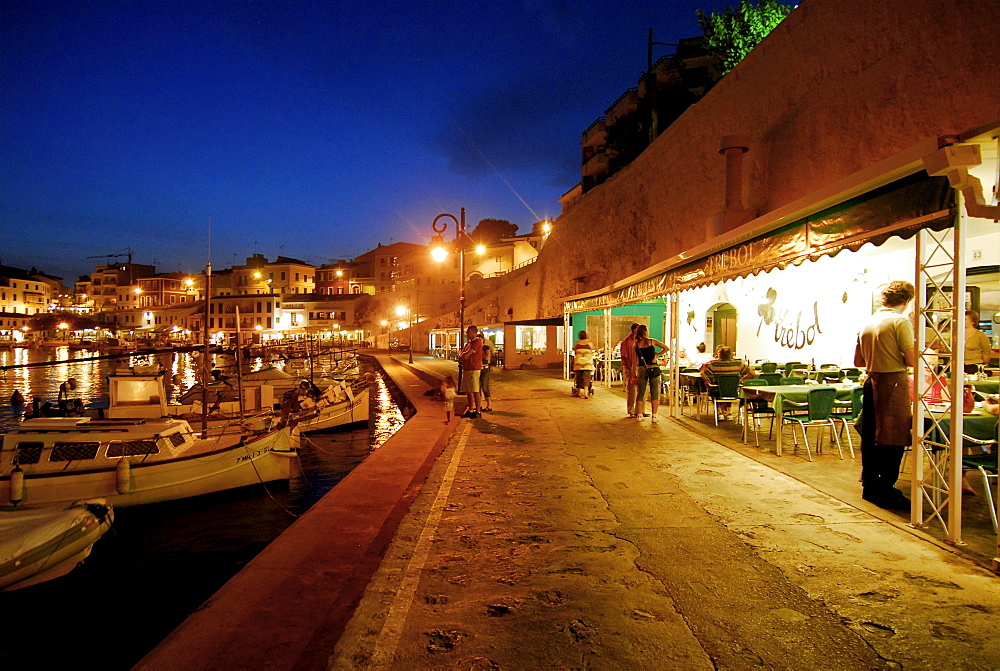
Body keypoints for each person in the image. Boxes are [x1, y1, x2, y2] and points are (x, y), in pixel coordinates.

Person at [854, 280, 916, 512]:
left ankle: (870, 484)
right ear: (907, 300)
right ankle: (886, 488)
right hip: (893, 382)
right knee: (893, 436)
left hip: (871, 381)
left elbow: (858, 361)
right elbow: (911, 360)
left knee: (871, 434)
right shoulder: (900, 321)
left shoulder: (867, 322)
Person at [701, 346, 753, 420]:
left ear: (720, 355)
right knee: (730, 388)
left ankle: (719, 412)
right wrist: (741, 380)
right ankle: (728, 412)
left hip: (718, 390)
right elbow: (752, 373)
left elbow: (703, 373)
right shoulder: (738, 364)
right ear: (731, 354)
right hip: (733, 391)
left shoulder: (714, 365)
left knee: (713, 389)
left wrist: (707, 380)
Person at [634, 324, 668, 422]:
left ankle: (639, 415)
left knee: (640, 393)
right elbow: (666, 348)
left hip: (642, 368)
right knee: (654, 393)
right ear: (645, 332)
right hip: (653, 368)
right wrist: (656, 355)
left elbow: (635, 359)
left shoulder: (636, 344)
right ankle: (654, 416)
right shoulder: (652, 341)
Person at [458, 325, 484, 419]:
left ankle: (478, 410)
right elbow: (461, 355)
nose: (467, 334)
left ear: (474, 333)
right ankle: (470, 409)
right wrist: (462, 355)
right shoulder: (468, 344)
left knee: (475, 390)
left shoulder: (477, 342)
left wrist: (463, 355)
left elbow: (465, 356)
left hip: (474, 368)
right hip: (467, 369)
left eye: (468, 332)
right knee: (468, 390)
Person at [619, 323, 640, 417]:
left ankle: (640, 410)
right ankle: (631, 410)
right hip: (631, 367)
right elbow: (624, 356)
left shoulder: (640, 340)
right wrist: (629, 368)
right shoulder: (626, 341)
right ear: (634, 330)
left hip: (639, 367)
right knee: (631, 390)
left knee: (642, 389)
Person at [964, 310, 993, 375]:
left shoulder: (980, 335)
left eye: (965, 319)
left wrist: (982, 365)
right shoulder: (957, 334)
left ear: (972, 321)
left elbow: (987, 352)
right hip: (959, 365)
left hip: (974, 365)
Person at [572, 331, 596, 398]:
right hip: (587, 364)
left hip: (578, 363)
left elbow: (575, 352)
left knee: (578, 377)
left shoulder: (577, 343)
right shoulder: (589, 344)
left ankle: (578, 392)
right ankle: (585, 393)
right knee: (587, 378)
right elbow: (591, 352)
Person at [480, 342, 494, 411]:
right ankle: (478, 405)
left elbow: (486, 357)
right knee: (477, 388)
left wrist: (479, 351)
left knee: (485, 387)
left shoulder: (485, 347)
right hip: (478, 369)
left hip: (485, 369)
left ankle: (489, 405)